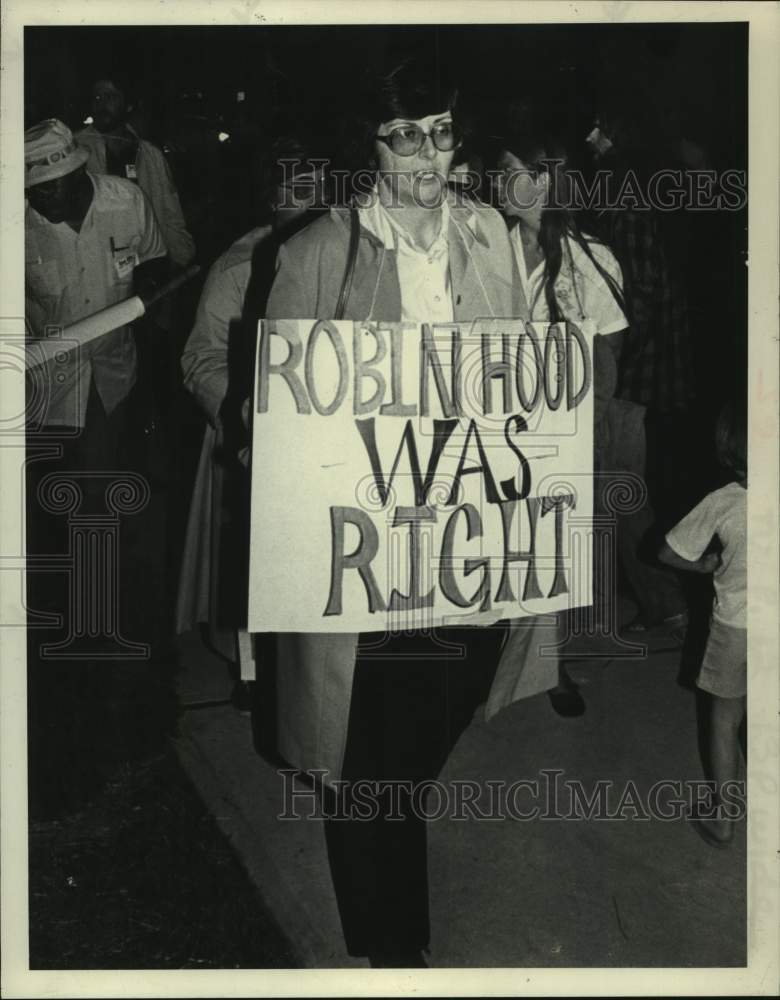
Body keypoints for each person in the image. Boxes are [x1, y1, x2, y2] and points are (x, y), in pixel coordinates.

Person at [262, 60, 560, 968]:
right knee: (373, 760)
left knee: (437, 719)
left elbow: (545, 370)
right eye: (403, 135)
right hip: (370, 554)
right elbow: (272, 407)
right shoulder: (318, 251)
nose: (426, 152)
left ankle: (387, 897)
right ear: (370, 148)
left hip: (470, 541)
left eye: (439, 130)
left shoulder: (498, 238)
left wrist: (539, 232)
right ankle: (394, 953)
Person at [176, 136, 329, 696]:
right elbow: (199, 356)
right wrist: (246, 414)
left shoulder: (340, 254)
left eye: (321, 192)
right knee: (251, 557)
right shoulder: (240, 266)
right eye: (297, 192)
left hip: (321, 439)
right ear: (271, 199)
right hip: (252, 437)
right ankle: (251, 671)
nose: (310, 204)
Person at [25, 118, 168, 462]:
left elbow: (155, 264)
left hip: (115, 375)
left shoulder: (127, 201)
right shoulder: (17, 225)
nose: (37, 199)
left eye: (47, 188)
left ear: (77, 174)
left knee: (104, 481)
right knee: (54, 490)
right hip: (49, 387)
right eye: (32, 189)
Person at [659, 401, 747, 848]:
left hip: (737, 628)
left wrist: (710, 563)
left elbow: (669, 552)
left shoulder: (724, 503)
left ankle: (724, 820)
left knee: (724, 718)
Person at [76, 74, 195, 271]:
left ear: (128, 105)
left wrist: (179, 258)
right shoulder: (77, 150)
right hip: (98, 267)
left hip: (147, 262)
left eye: (110, 97)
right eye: (97, 98)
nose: (102, 104)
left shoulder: (151, 155)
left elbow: (170, 211)